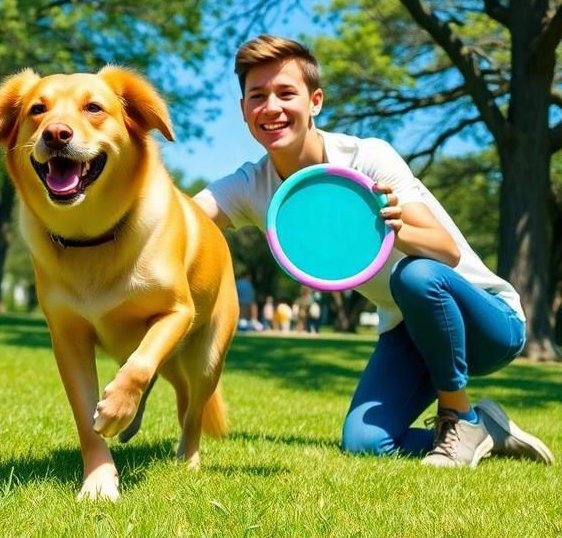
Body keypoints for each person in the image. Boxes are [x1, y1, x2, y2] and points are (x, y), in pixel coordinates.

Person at [194, 34, 553, 467]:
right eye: (258, 96)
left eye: (286, 93)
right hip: (409, 329)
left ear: (315, 102)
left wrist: (394, 229)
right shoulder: (253, 186)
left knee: (415, 275)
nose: (271, 107)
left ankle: (457, 414)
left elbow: (446, 253)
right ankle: (486, 429)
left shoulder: (367, 158)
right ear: (244, 110)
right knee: (365, 443)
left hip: (488, 322)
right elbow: (182, 217)